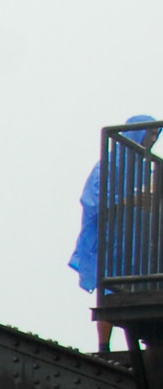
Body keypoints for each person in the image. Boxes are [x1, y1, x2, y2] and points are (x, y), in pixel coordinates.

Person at [71, 116, 161, 354]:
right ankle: (104, 348)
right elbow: (96, 204)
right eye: (149, 134)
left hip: (135, 242)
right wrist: (130, 202)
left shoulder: (144, 168)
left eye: (156, 135)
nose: (152, 140)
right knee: (110, 291)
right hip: (112, 240)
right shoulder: (107, 166)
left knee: (134, 292)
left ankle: (145, 342)